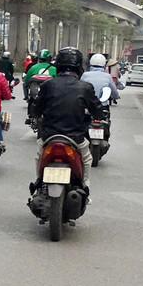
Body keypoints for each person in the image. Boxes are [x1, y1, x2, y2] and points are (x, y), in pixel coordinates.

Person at [31, 47, 105, 186]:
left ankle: (39, 184)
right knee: (87, 158)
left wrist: (39, 116)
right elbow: (97, 111)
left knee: (39, 155)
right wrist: (98, 115)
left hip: (50, 136)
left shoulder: (47, 85)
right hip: (75, 138)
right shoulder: (85, 87)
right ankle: (84, 185)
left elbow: (35, 110)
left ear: (58, 64)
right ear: (79, 66)